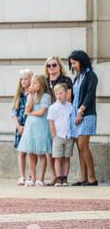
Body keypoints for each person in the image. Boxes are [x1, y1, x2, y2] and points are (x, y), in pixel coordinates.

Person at [68, 50, 98, 186]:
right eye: (71, 64)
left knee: (83, 144)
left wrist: (81, 111)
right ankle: (83, 177)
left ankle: (92, 178)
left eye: (74, 63)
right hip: (76, 116)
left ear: (82, 61)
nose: (72, 66)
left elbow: (90, 95)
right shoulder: (77, 78)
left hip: (87, 115)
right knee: (79, 147)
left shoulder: (91, 76)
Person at [17, 74, 52, 186]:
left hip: (41, 126)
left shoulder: (46, 96)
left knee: (41, 153)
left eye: (34, 83)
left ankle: (40, 179)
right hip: (30, 127)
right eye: (31, 83)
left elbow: (42, 112)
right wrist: (31, 96)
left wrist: (30, 113)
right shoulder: (30, 96)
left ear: (41, 84)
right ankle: (33, 178)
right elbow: (27, 109)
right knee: (30, 153)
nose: (32, 85)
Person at [43, 56, 73, 185]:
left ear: (59, 66)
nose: (51, 68)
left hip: (65, 124)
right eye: (49, 65)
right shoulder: (45, 81)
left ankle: (62, 177)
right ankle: (55, 176)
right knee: (53, 152)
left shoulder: (65, 80)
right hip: (51, 120)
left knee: (64, 155)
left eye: (54, 65)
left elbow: (70, 98)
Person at [47, 83, 74, 186]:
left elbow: (71, 121)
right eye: (56, 93)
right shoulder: (53, 107)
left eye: (61, 93)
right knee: (58, 158)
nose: (58, 96)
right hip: (58, 136)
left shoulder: (70, 106)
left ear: (67, 93)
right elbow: (51, 122)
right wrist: (54, 135)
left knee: (67, 158)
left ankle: (65, 178)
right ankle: (59, 178)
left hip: (68, 136)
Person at [12, 69, 33, 186]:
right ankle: (22, 176)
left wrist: (25, 126)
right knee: (21, 152)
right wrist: (18, 126)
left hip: (29, 126)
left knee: (30, 152)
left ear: (31, 79)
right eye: (21, 79)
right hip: (19, 127)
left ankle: (31, 175)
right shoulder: (18, 95)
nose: (23, 81)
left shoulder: (32, 94)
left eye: (26, 79)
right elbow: (13, 113)